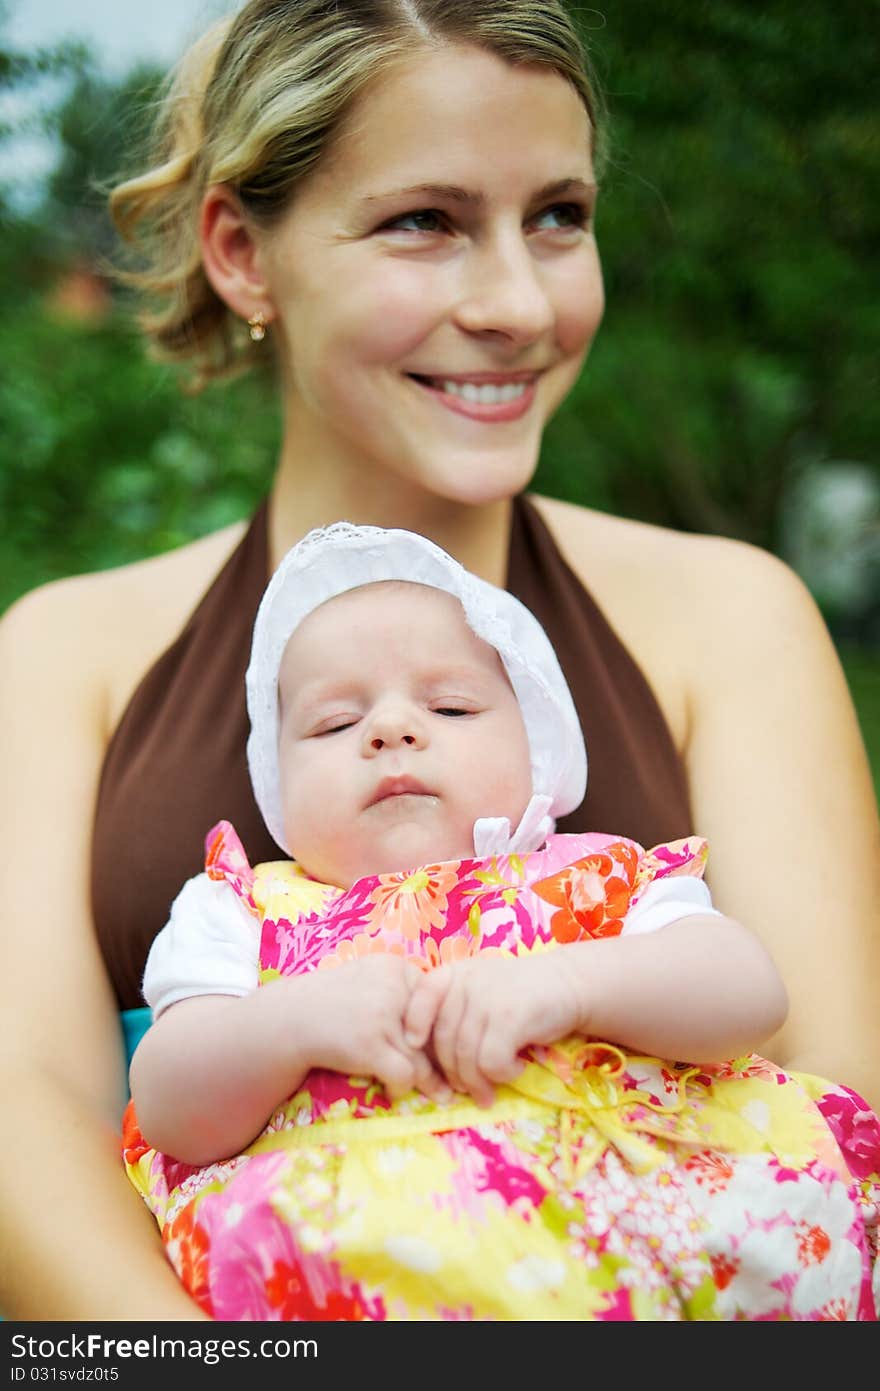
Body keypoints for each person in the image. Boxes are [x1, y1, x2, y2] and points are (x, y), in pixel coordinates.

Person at [0, 0, 877, 1324]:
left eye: (560, 216)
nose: (519, 302)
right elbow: (27, 1116)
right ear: (241, 249)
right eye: (426, 220)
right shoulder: (67, 651)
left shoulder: (732, 613)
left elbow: (840, 1084)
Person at [122, 521, 880, 1321]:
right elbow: (171, 1107)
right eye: (334, 724)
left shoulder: (596, 880)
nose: (389, 729)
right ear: (276, 783)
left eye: (449, 704)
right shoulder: (241, 910)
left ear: (538, 752)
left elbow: (748, 995)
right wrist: (290, 1024)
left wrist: (572, 981)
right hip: (349, 1278)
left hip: (636, 1252)